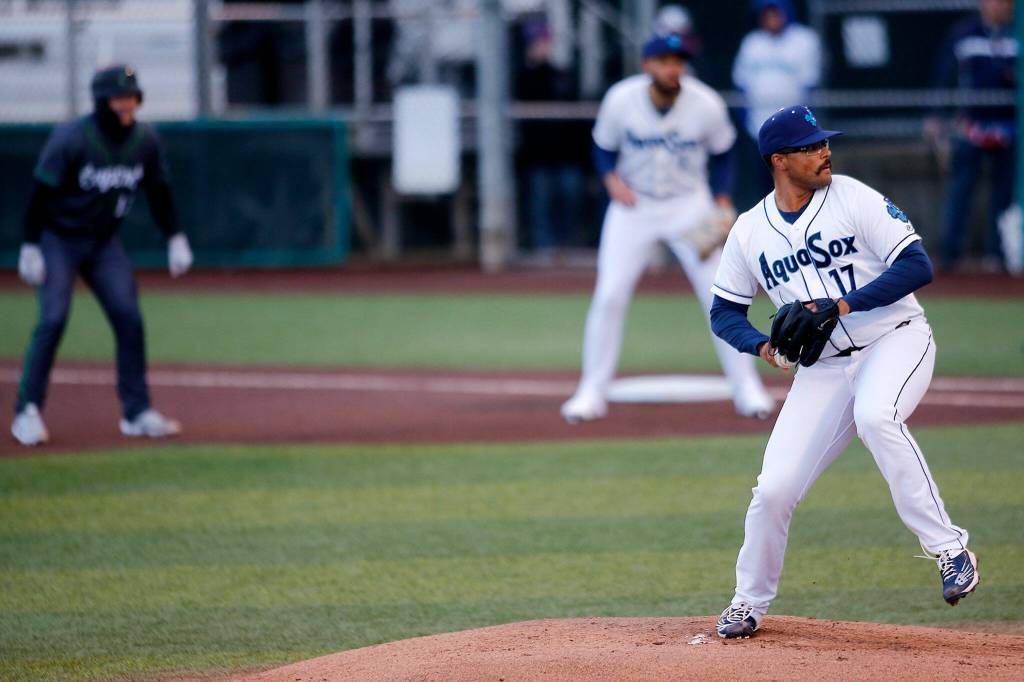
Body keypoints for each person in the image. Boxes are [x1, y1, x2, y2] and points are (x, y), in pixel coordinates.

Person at [709, 106, 978, 639]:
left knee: (878, 416)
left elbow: (916, 265)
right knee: (774, 489)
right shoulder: (748, 231)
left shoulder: (853, 197)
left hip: (895, 340)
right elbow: (724, 313)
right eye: (811, 147)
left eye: (824, 143)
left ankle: (950, 550)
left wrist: (842, 304)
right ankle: (748, 602)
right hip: (823, 369)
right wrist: (763, 347)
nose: (825, 151)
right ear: (779, 161)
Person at [560, 33, 774, 423]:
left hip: (690, 204)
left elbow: (724, 152)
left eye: (678, 61)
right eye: (663, 60)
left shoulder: (705, 102)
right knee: (609, 294)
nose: (672, 68)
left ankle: (746, 387)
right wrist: (610, 180)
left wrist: (722, 199)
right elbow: (603, 147)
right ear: (647, 65)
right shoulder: (621, 100)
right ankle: (591, 390)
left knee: (720, 295)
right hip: (634, 205)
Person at [11, 64, 193, 446]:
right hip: (58, 239)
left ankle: (136, 411)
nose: (126, 104)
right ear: (101, 101)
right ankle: (27, 410)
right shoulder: (72, 139)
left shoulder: (145, 140)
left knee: (128, 317)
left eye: (131, 97)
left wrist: (175, 237)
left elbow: (159, 193)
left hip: (103, 243)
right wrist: (30, 246)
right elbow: (39, 195)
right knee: (54, 318)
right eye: (119, 97)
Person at [925, 0, 1016, 272]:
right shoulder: (964, 33)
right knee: (961, 190)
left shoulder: (1016, 33)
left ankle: (999, 256)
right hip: (971, 127)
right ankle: (950, 256)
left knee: (1004, 194)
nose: (1001, 7)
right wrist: (936, 116)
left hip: (1009, 127)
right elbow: (944, 74)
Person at [732, 0, 822, 200]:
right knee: (765, 182)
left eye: (775, 13)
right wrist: (744, 117)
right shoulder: (752, 42)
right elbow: (741, 83)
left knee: (797, 180)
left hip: (794, 128)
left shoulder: (804, 40)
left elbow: (810, 84)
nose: (771, 18)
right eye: (766, 14)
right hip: (760, 125)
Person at [516, 19, 586, 262]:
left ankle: (568, 246)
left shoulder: (561, 74)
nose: (542, 46)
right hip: (537, 154)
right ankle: (543, 249)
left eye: (545, 41)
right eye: (537, 42)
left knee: (569, 196)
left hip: (565, 153)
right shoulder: (523, 76)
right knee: (540, 202)